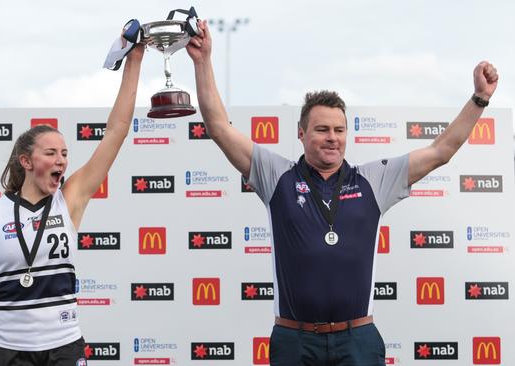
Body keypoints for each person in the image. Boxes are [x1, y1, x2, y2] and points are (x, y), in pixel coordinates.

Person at [186, 20, 498, 366]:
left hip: (358, 340)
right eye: (321, 129)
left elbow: (442, 150)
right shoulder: (277, 175)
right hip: (294, 340)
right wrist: (203, 61)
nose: (332, 137)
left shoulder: (374, 180)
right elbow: (217, 127)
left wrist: (479, 97)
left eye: (339, 129)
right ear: (301, 133)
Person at [0, 42, 145, 366]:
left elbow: (117, 131)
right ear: (26, 161)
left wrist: (134, 59)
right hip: (7, 351)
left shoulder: (70, 200)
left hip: (64, 347)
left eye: (64, 154)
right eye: (50, 153)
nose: (61, 160)